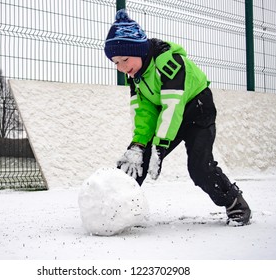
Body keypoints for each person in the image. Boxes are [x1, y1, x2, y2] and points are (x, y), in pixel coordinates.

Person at [104, 9, 251, 226]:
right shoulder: (135, 76)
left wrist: (160, 146)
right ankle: (115, 208)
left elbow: (173, 107)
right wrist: (138, 144)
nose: (122, 67)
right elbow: (144, 114)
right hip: (168, 114)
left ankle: (235, 204)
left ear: (139, 50)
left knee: (200, 168)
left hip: (197, 110)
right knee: (136, 159)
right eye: (116, 63)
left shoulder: (169, 62)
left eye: (125, 59)